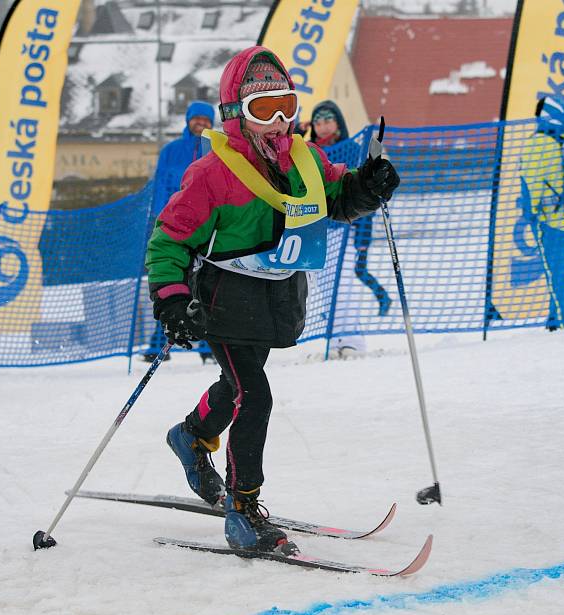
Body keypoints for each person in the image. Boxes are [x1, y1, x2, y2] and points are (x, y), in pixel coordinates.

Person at [145, 46, 400, 553]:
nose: (279, 121)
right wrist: (172, 301)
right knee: (253, 395)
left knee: (236, 386)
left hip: (275, 301)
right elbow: (169, 239)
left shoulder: (304, 160)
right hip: (223, 303)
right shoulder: (213, 174)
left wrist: (369, 187)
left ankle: (191, 436)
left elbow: (339, 199)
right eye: (264, 109)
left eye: (286, 105)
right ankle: (242, 512)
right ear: (236, 113)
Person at [305, 100, 392, 357]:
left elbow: (362, 194)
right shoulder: (308, 152)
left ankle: (353, 341)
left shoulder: (353, 150)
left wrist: (363, 238)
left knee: (342, 286)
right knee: (323, 288)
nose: (323, 127)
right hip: (315, 230)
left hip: (345, 230)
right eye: (318, 122)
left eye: (328, 120)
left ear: (338, 122)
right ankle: (335, 340)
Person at [143, 101, 216, 363]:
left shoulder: (216, 149)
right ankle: (159, 342)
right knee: (171, 283)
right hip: (176, 225)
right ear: (187, 120)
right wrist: (159, 220)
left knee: (206, 283)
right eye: (196, 118)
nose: (201, 123)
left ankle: (209, 347)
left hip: (207, 227)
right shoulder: (171, 151)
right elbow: (160, 185)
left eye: (206, 119)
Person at [519, 97, 564, 331]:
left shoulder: (538, 143)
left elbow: (531, 182)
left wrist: (530, 211)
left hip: (551, 220)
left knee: (557, 276)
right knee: (563, 271)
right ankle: (555, 321)